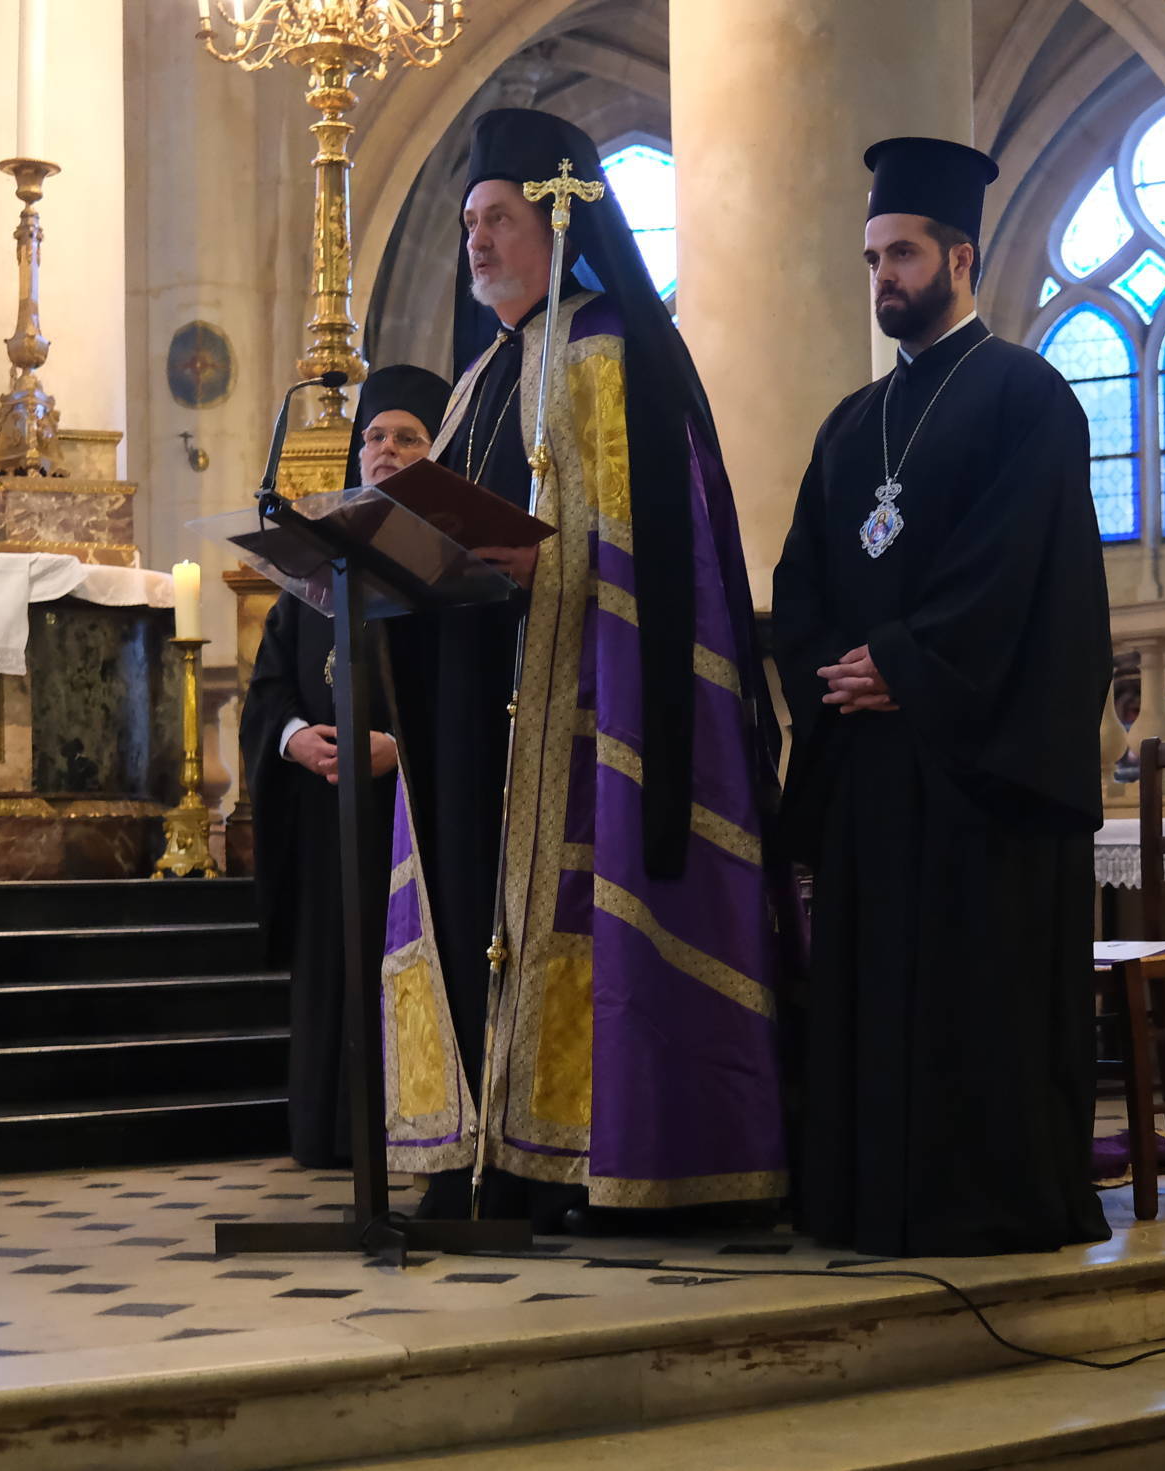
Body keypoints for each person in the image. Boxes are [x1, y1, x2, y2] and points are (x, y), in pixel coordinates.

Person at [380, 108, 788, 1232]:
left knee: (569, 906)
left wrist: (541, 561)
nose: (477, 243)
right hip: (475, 702)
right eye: (468, 223)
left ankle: (582, 1154)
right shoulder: (474, 383)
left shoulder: (606, 351)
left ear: (560, 222)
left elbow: (660, 554)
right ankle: (489, 1152)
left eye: (498, 219)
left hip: (580, 703)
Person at [771, 136, 1113, 1257]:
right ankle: (871, 1203)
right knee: (871, 1001)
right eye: (873, 257)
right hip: (874, 771)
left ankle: (988, 1206)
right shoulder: (848, 421)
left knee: (980, 1004)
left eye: (904, 254)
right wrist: (836, 668)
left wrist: (905, 665)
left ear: (961, 257)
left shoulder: (1029, 398)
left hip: (980, 774)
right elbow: (802, 578)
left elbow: (1020, 570)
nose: (884, 279)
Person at [240, 365, 451, 1169]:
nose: (386, 450)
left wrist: (403, 749)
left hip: (417, 813)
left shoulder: (449, 561)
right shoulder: (312, 562)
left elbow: (478, 697)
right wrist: (295, 735)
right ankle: (329, 1132)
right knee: (331, 963)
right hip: (328, 808)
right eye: (374, 436)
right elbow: (267, 687)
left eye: (407, 437)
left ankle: (416, 1129)